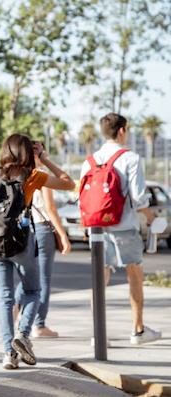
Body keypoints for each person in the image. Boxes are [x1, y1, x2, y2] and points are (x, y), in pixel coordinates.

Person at [0, 133, 74, 370]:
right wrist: (44, 159)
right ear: (28, 153)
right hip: (20, 241)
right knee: (33, 289)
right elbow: (69, 183)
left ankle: (8, 353)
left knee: (4, 297)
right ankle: (22, 335)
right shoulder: (33, 175)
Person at [80, 113, 161, 345]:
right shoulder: (130, 158)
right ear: (122, 131)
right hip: (124, 225)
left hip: (97, 228)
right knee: (134, 275)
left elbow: (82, 197)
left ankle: (99, 335)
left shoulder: (89, 160)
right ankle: (138, 330)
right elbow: (138, 197)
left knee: (99, 279)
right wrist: (150, 218)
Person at [13, 141, 72, 339]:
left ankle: (13, 312)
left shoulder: (19, 175)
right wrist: (62, 234)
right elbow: (50, 208)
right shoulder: (40, 175)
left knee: (28, 276)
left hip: (27, 228)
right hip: (43, 229)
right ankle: (39, 324)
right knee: (43, 278)